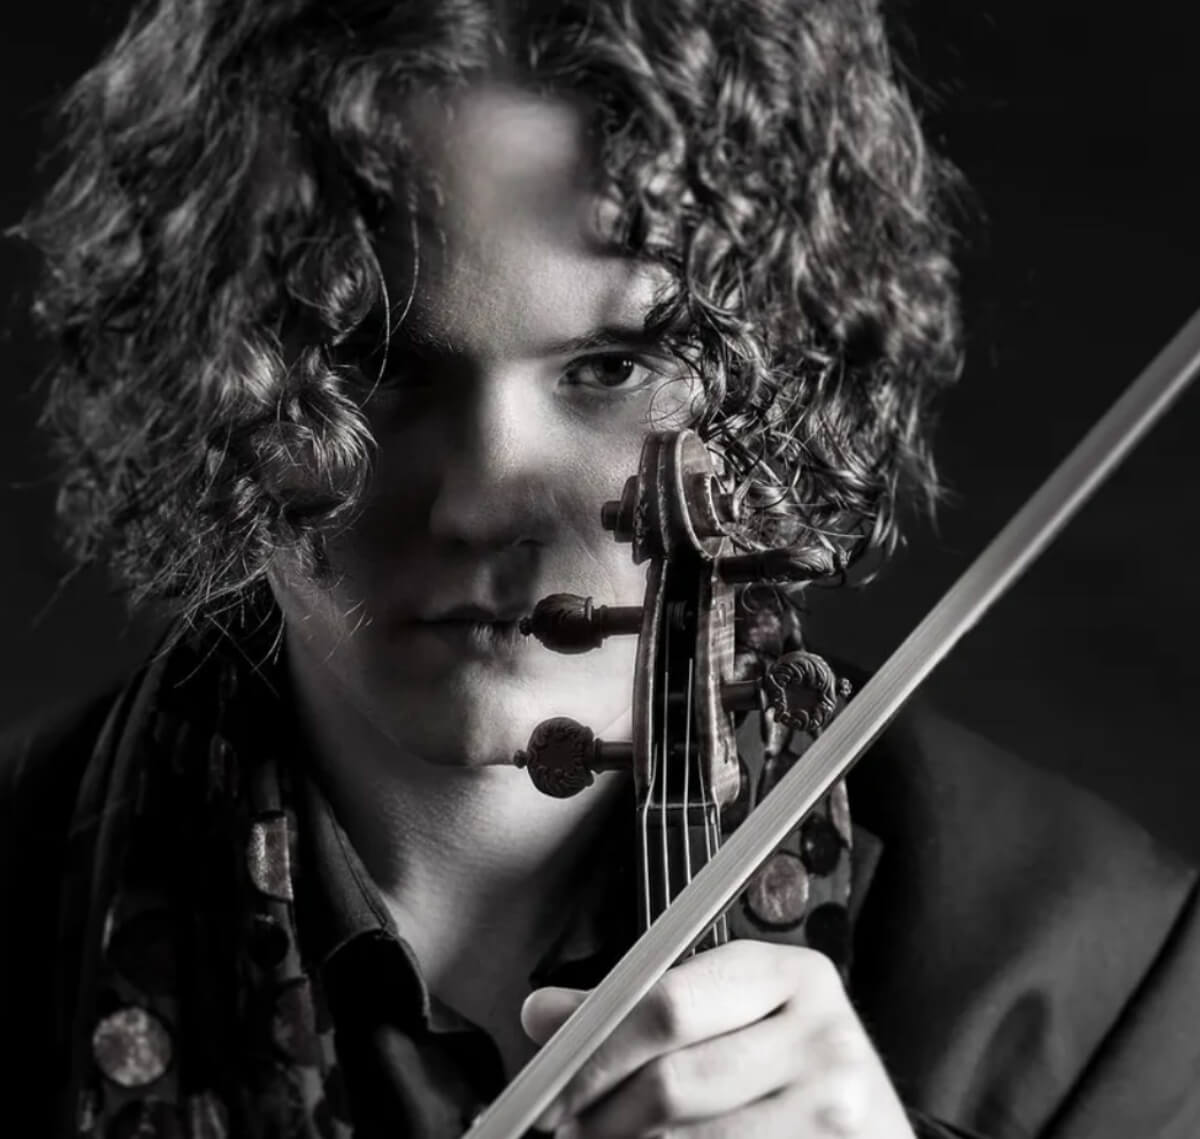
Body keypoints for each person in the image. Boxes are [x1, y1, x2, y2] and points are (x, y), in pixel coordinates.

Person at [3, 1, 1199, 1136]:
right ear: (208, 375)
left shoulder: (1101, 979)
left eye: (612, 367)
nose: (480, 503)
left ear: (770, 383)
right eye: (375, 363)